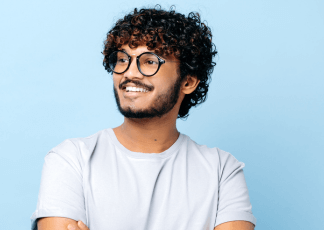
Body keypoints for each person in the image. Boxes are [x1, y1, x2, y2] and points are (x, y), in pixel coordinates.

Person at [31, 6, 257, 230]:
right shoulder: (71, 160)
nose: (129, 72)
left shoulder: (222, 170)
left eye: (150, 61)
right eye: (122, 59)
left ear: (188, 82)